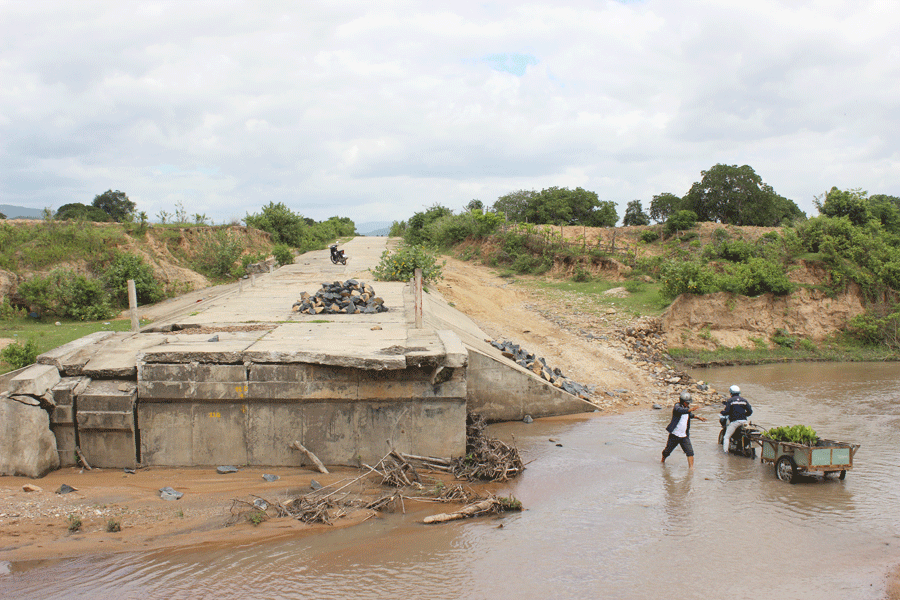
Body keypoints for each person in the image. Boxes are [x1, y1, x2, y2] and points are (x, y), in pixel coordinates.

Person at [661, 391, 706, 469]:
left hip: (684, 436)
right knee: (667, 451)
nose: (688, 404)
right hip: (674, 434)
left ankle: (691, 469)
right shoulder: (677, 407)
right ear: (682, 401)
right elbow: (681, 411)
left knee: (690, 452)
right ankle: (662, 461)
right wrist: (690, 409)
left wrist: (699, 417)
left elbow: (690, 415)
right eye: (687, 403)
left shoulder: (687, 409)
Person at [721, 384, 753, 454]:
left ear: (731, 393)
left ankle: (725, 453)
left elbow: (727, 411)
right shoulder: (744, 400)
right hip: (744, 422)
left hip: (735, 422)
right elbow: (750, 411)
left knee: (726, 437)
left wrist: (722, 412)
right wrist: (744, 415)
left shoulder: (730, 400)